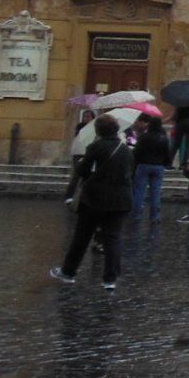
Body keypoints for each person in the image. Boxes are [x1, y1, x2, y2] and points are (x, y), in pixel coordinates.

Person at [54, 113, 134, 289]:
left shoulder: (96, 147)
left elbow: (81, 171)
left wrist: (86, 165)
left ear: (98, 131)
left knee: (82, 236)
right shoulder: (126, 150)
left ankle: (69, 272)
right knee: (113, 239)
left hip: (95, 199)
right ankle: (110, 279)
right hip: (121, 199)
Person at [131, 113, 173, 225]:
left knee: (140, 191)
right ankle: (155, 216)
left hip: (144, 165)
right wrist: (166, 163)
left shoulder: (144, 137)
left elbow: (137, 152)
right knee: (156, 192)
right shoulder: (163, 138)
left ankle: (136, 215)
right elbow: (167, 153)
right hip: (158, 166)